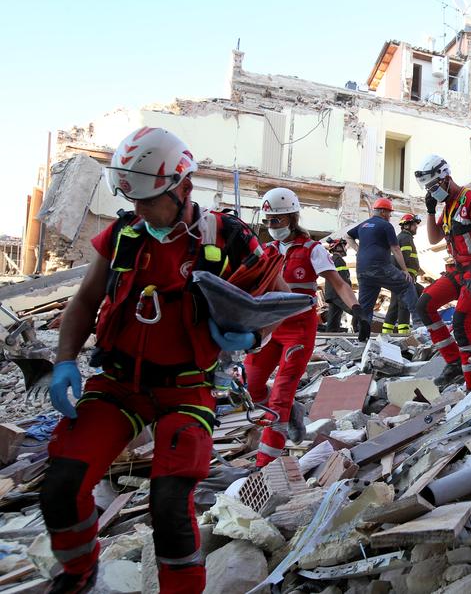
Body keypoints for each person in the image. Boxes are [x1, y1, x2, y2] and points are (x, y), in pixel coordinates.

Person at [41, 127, 276, 593]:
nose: (139, 209)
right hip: (118, 384)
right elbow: (86, 302)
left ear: (183, 187)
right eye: (133, 200)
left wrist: (250, 335)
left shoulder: (227, 237)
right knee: (61, 488)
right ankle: (78, 572)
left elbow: (272, 302)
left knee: (169, 505)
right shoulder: (125, 235)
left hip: (186, 390)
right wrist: (65, 359)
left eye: (149, 200)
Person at [244, 189, 365, 468]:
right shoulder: (268, 252)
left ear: (292, 217)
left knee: (281, 394)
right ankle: (293, 412)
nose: (273, 226)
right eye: (269, 221)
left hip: (299, 327)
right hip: (269, 326)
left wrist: (357, 310)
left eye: (278, 220)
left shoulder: (313, 250)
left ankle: (265, 466)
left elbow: (339, 284)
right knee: (251, 386)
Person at [414, 154, 471, 390]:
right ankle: (453, 362)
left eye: (434, 186)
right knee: (424, 305)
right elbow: (433, 238)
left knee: (461, 323)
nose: (432, 191)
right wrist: (430, 211)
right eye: (428, 189)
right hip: (459, 269)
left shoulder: (470, 200)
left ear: (446, 178)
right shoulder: (450, 207)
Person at [347, 198, 421, 341]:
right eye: (388, 212)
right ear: (382, 212)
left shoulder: (363, 225)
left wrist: (359, 250)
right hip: (380, 267)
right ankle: (419, 324)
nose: (390, 216)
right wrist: (405, 270)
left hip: (362, 270)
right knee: (407, 284)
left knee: (366, 307)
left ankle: (363, 337)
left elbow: (348, 236)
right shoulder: (386, 226)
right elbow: (395, 248)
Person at [383, 214, 424, 334]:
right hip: (405, 276)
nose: (416, 227)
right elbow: (405, 257)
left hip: (401, 275)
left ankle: (386, 332)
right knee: (404, 304)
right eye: (414, 225)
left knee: (395, 304)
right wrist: (406, 273)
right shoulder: (406, 238)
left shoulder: (401, 237)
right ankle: (404, 333)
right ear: (407, 225)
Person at [322, 238, 357, 333]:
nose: (345, 248)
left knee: (333, 318)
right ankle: (359, 331)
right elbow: (342, 279)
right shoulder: (337, 259)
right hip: (338, 293)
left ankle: (330, 336)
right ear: (337, 247)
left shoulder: (333, 259)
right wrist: (348, 293)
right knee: (356, 311)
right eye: (343, 246)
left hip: (333, 293)